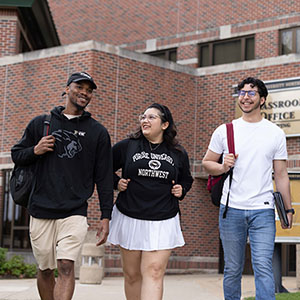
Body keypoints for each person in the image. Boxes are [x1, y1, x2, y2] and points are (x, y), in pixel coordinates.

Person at [11, 72, 113, 300]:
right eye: (80, 87)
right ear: (67, 89)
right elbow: (17, 155)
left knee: (66, 266)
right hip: (40, 209)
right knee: (45, 269)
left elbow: (104, 178)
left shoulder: (98, 132)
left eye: (89, 90)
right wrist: (35, 150)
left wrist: (106, 216)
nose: (84, 93)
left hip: (74, 210)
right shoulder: (41, 123)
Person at [202, 77, 294, 300]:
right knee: (233, 269)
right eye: (242, 93)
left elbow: (281, 175)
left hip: (262, 210)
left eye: (251, 93)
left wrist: (288, 210)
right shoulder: (225, 131)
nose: (245, 96)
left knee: (262, 265)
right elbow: (207, 163)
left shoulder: (274, 133)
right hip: (230, 209)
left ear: (262, 99)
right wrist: (223, 166)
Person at [107, 103, 193, 300]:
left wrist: (182, 190)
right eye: (143, 117)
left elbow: (186, 179)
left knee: (154, 272)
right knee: (132, 274)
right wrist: (116, 182)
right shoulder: (127, 146)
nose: (145, 120)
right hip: (129, 215)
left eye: (151, 117)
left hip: (163, 218)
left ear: (164, 124)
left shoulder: (178, 152)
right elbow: (103, 168)